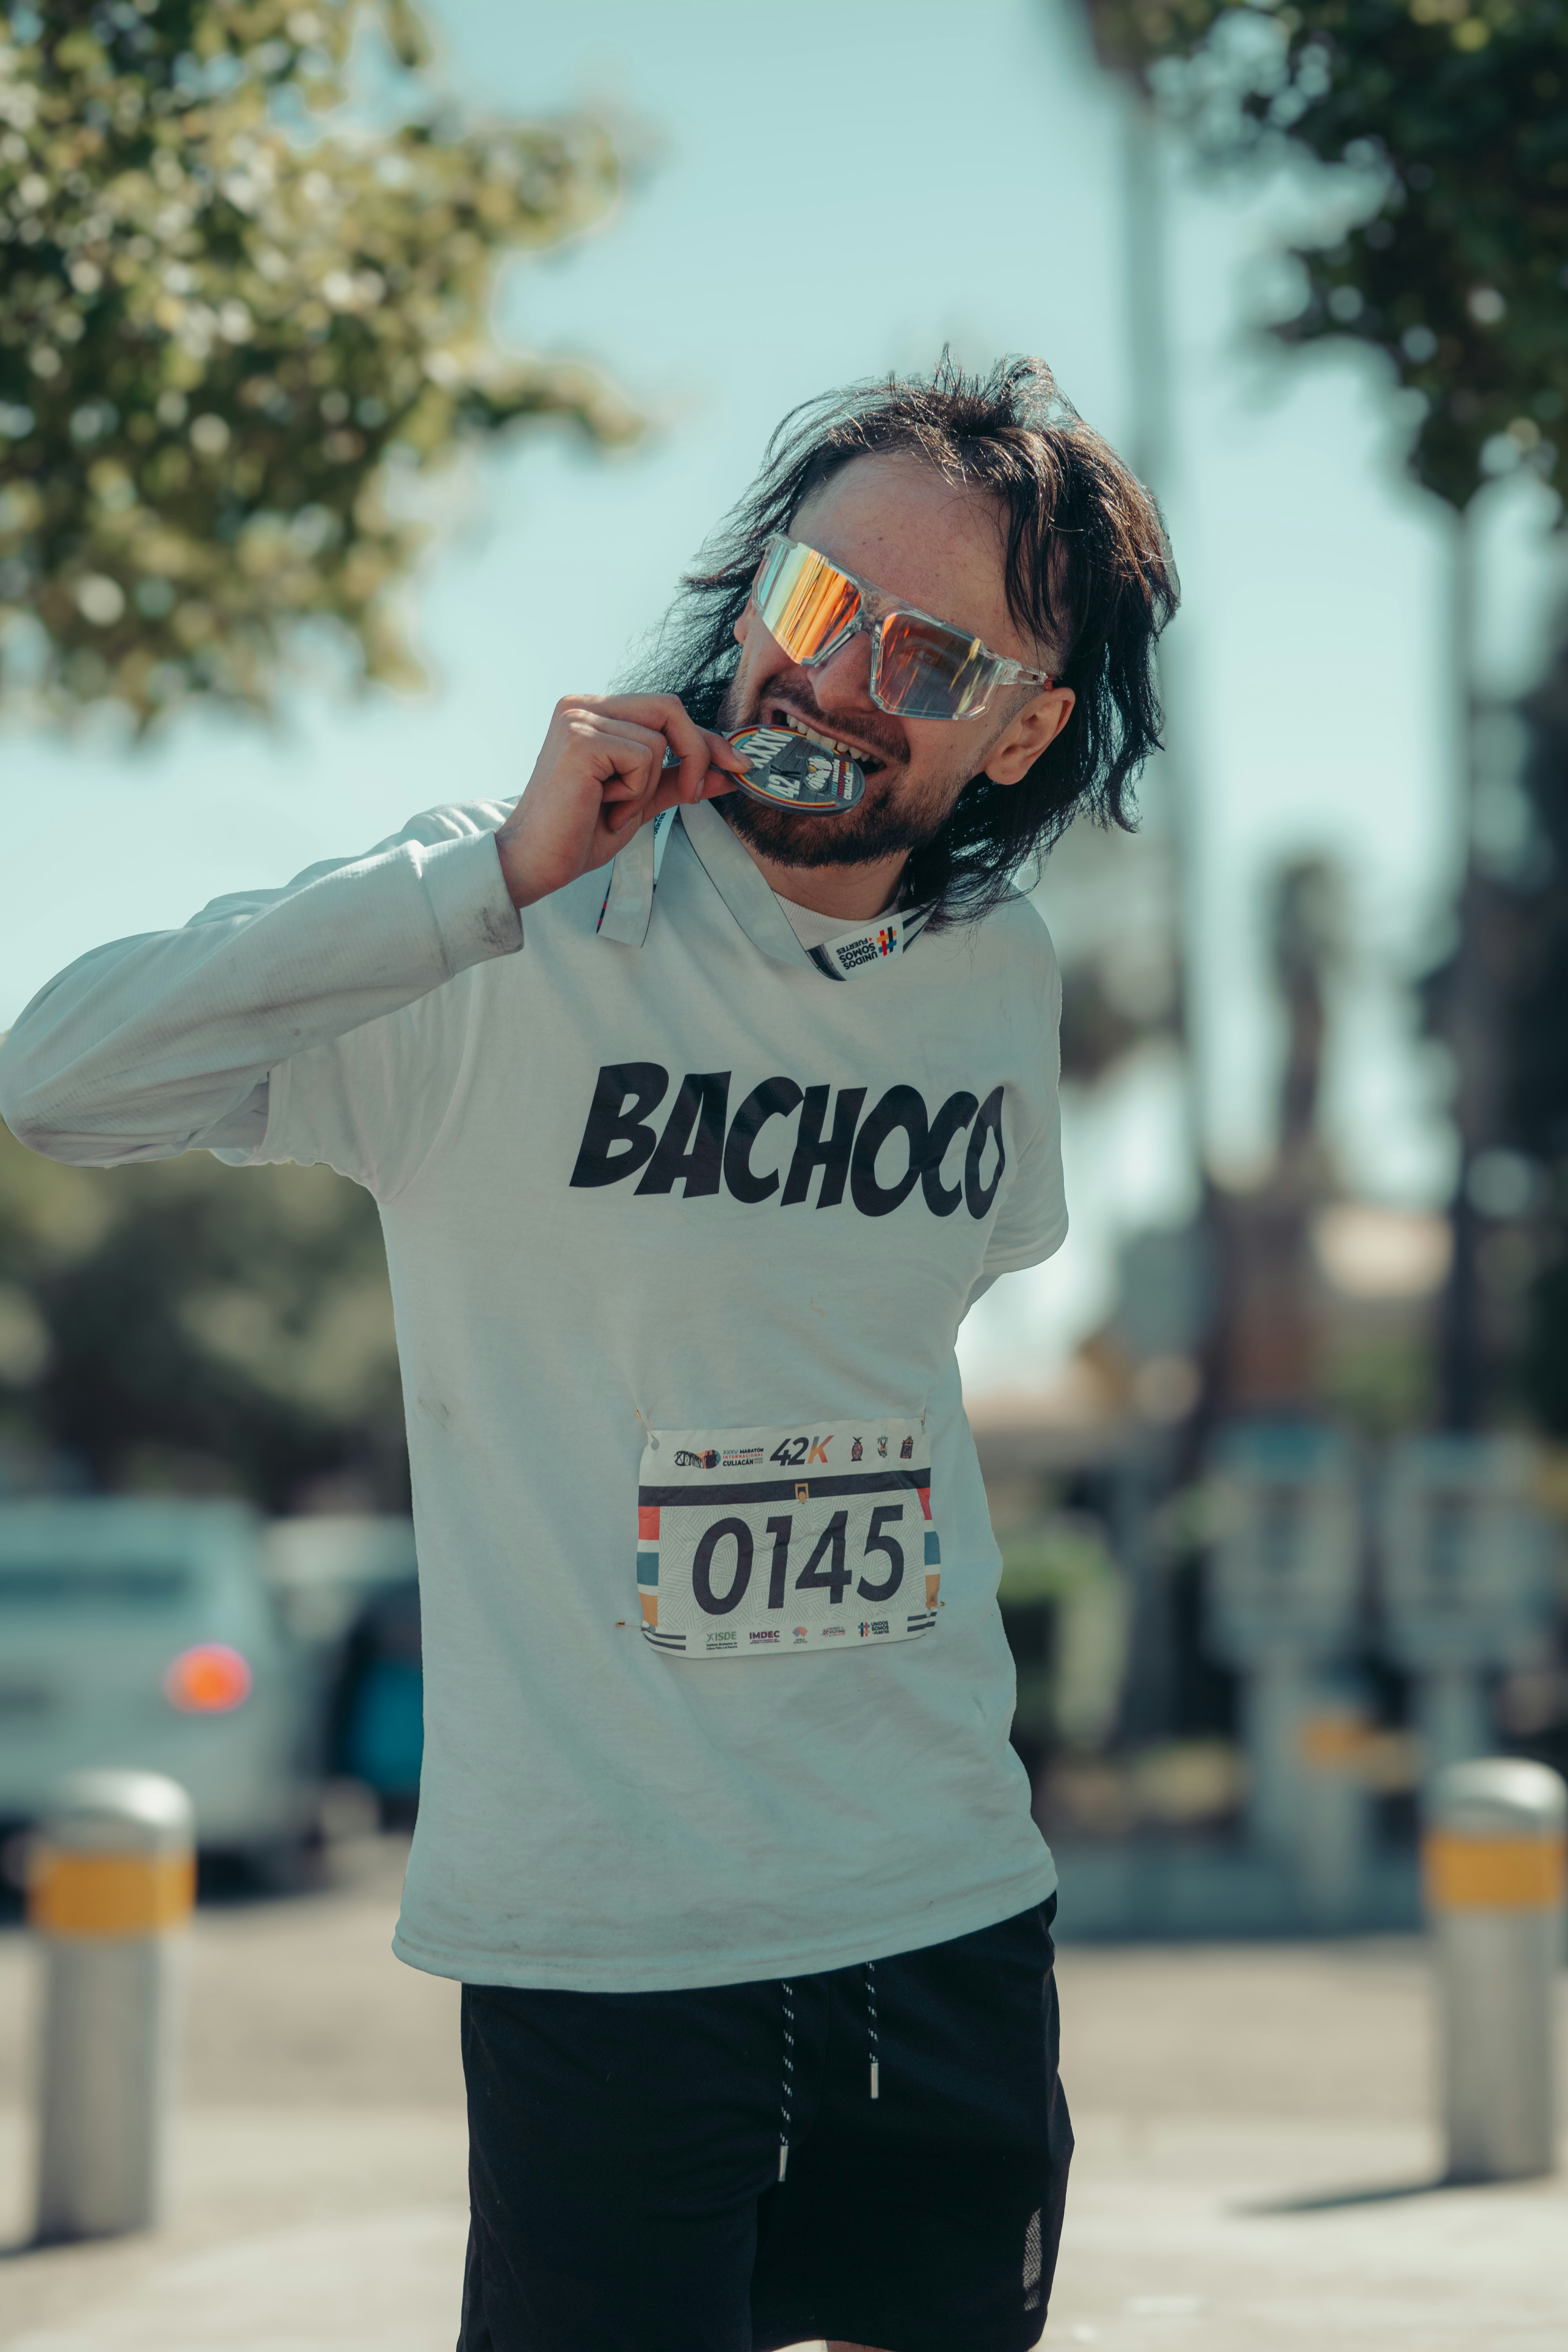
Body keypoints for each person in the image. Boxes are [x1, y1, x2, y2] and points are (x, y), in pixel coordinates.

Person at [0, 355, 1175, 2352]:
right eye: (809, 606)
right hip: (607, 1944)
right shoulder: (502, 932)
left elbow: (932, 1314)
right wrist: (487, 884)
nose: (827, 678)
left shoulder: (998, 982)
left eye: (919, 655)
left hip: (947, 1903)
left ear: (1019, 730)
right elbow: (60, 1078)